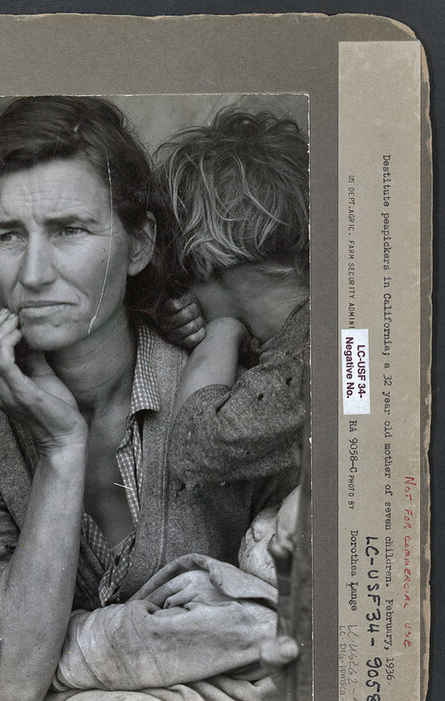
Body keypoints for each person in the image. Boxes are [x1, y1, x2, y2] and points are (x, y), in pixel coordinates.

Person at [0, 97, 296, 701]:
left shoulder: (232, 382)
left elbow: (310, 615)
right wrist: (61, 452)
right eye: (6, 236)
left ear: (139, 243)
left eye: (69, 230)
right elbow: (11, 683)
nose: (33, 274)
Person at [155, 109, 310, 580]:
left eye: (181, 280)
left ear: (205, 260)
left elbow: (195, 445)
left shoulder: (308, 356)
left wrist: (222, 330)